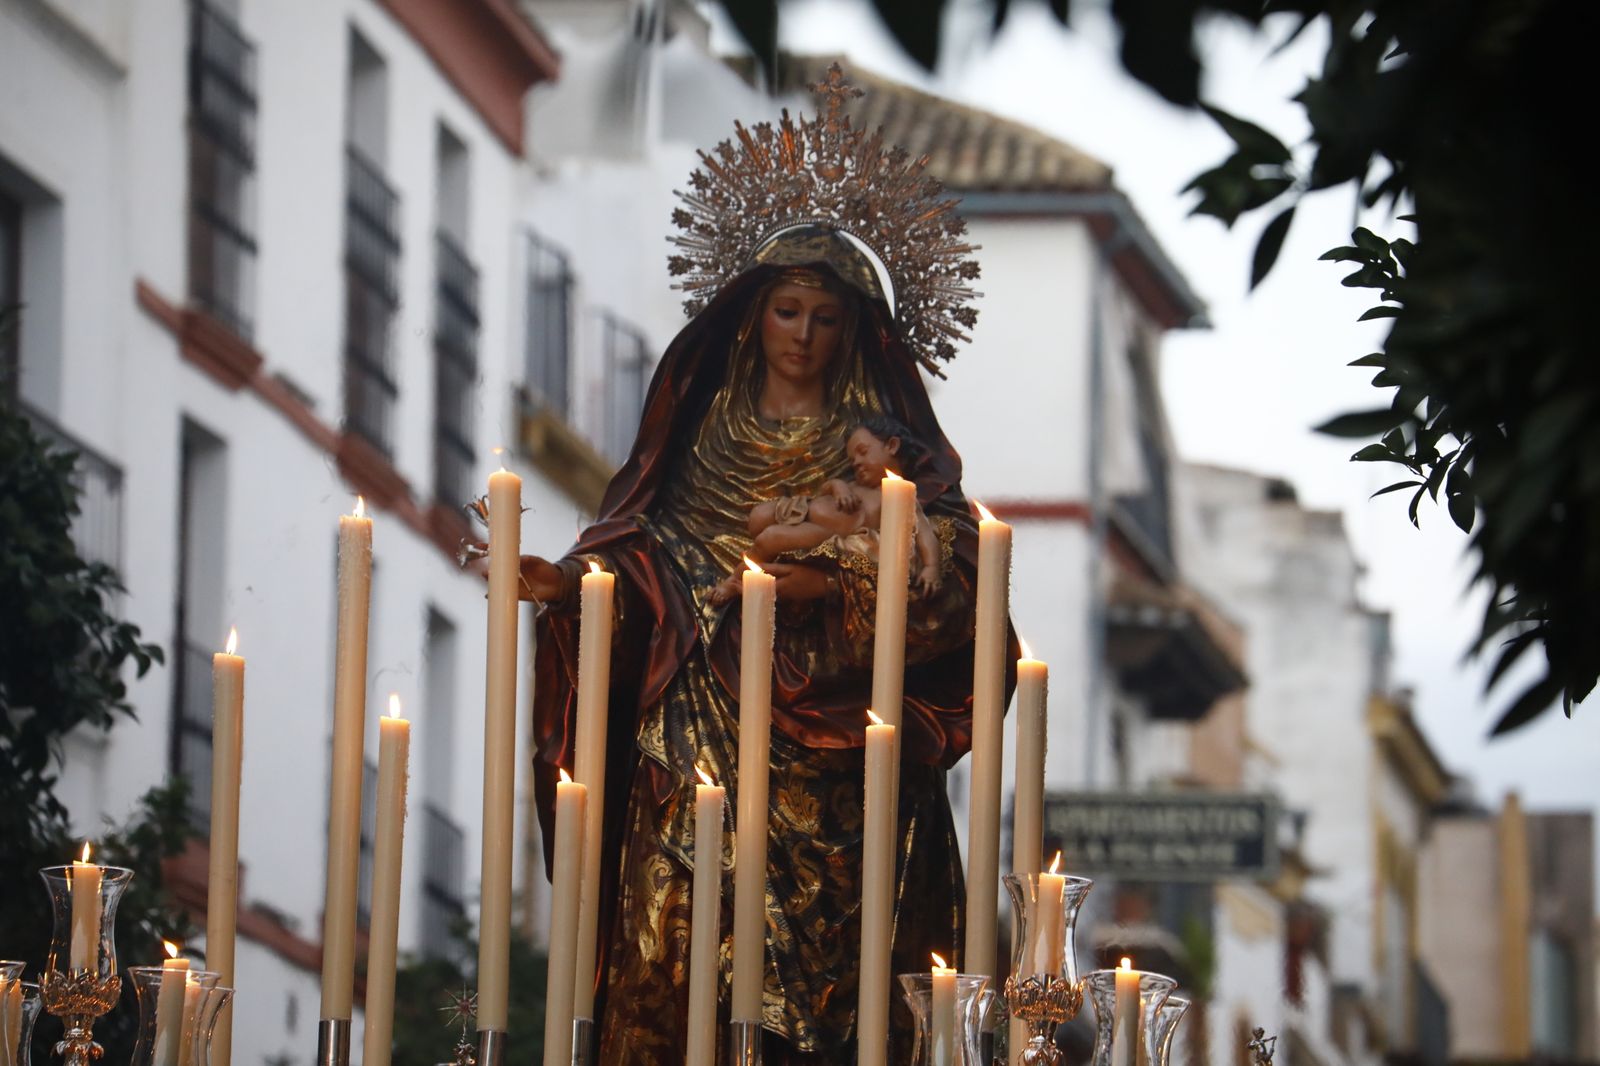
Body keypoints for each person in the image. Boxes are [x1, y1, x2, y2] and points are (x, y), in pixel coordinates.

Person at [708, 415, 943, 606]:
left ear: (892, 445)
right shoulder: (855, 485)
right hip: (804, 508)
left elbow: (924, 534)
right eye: (852, 460)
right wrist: (840, 488)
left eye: (863, 452)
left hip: (825, 533)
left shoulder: (900, 498)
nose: (857, 462)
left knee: (769, 539)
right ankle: (750, 574)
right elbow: (828, 487)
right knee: (758, 517)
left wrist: (931, 567)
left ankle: (732, 581)